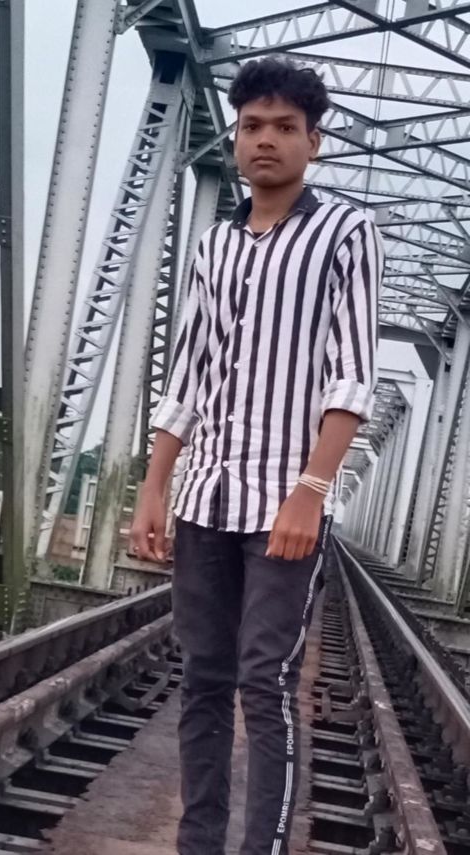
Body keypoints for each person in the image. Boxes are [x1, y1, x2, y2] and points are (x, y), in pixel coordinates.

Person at [130, 56, 383, 855]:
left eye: (284, 127)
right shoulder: (214, 247)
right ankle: (198, 842)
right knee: (203, 678)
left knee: (264, 680)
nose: (265, 140)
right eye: (251, 126)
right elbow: (188, 376)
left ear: (314, 140)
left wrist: (311, 489)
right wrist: (155, 485)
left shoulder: (346, 233)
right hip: (205, 496)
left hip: (283, 502)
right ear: (235, 138)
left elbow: (352, 375)